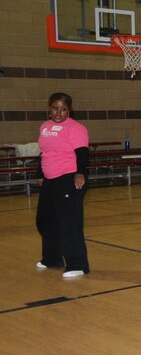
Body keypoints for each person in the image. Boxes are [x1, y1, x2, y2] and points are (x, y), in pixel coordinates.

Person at [35, 92, 90, 278]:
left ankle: (77, 264)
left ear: (69, 110)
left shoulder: (76, 128)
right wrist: (40, 174)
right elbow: (44, 153)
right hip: (50, 179)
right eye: (55, 108)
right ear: (49, 108)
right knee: (45, 220)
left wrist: (80, 173)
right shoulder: (45, 127)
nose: (59, 112)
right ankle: (52, 258)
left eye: (63, 109)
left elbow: (82, 153)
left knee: (69, 222)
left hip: (69, 177)